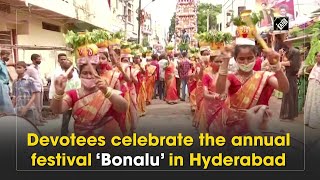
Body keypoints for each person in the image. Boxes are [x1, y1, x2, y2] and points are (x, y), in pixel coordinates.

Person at [214, 39, 289, 137]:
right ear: (235, 59)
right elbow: (220, 91)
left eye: (250, 58)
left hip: (260, 125)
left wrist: (276, 65)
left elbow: (284, 88)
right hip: (235, 128)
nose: (246, 62)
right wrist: (225, 62)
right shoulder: (231, 77)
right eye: (241, 59)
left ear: (256, 57)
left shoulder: (264, 76)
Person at [50, 49, 128, 140]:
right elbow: (57, 110)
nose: (88, 76)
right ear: (80, 76)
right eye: (84, 73)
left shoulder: (108, 92)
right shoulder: (73, 94)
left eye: (92, 73)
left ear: (99, 76)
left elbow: (123, 107)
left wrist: (106, 91)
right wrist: (58, 93)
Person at [12, 61, 40, 126]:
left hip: (29, 108)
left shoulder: (30, 80)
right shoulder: (15, 82)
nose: (17, 69)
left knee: (30, 127)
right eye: (16, 68)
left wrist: (26, 107)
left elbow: (34, 95)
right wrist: (13, 108)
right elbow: (14, 96)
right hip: (18, 109)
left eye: (19, 67)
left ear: (25, 69)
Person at [203, 55, 227, 133]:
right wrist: (215, 97)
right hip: (210, 107)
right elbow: (205, 94)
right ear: (211, 63)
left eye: (221, 61)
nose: (219, 64)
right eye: (217, 61)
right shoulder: (207, 76)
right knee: (212, 128)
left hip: (224, 106)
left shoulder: (228, 75)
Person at [279, 44, 300, 121]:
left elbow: (284, 63)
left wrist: (280, 58)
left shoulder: (292, 61)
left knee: (289, 96)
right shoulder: (295, 60)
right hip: (291, 78)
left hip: (290, 78)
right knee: (290, 96)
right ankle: (289, 115)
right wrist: (283, 55)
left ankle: (288, 115)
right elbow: (285, 61)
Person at [26, 54, 46, 125]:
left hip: (40, 87)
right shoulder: (30, 68)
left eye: (40, 59)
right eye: (38, 59)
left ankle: (40, 118)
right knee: (36, 105)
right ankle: (37, 121)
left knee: (40, 104)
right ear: (34, 60)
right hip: (35, 88)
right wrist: (33, 80)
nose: (40, 60)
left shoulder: (38, 68)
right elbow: (26, 77)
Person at [304, 52, 320, 129]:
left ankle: (315, 122)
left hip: (318, 87)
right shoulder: (315, 65)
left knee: (316, 103)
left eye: (319, 56)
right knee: (310, 101)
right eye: (317, 56)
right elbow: (306, 70)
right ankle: (307, 120)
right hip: (311, 86)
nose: (317, 57)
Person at [0, 50, 14, 115]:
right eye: (7, 55)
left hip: (5, 85)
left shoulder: (4, 64)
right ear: (2, 55)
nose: (8, 57)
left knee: (7, 102)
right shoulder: (0, 64)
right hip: (1, 84)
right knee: (5, 102)